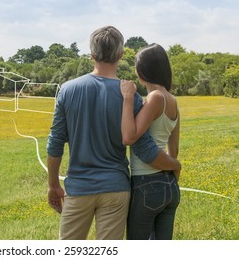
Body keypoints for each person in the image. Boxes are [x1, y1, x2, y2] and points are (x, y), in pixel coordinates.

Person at [46, 26, 181, 240]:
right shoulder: (131, 96)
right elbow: (145, 150)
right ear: (121, 55)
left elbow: (54, 144)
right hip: (116, 189)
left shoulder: (67, 90)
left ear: (91, 55)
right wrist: (175, 165)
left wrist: (53, 185)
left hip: (79, 188)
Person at [120, 43, 181, 240]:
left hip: (146, 184)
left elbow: (130, 136)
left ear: (143, 70)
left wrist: (128, 98)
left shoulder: (155, 97)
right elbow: (175, 150)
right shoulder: (173, 100)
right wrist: (172, 173)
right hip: (170, 186)